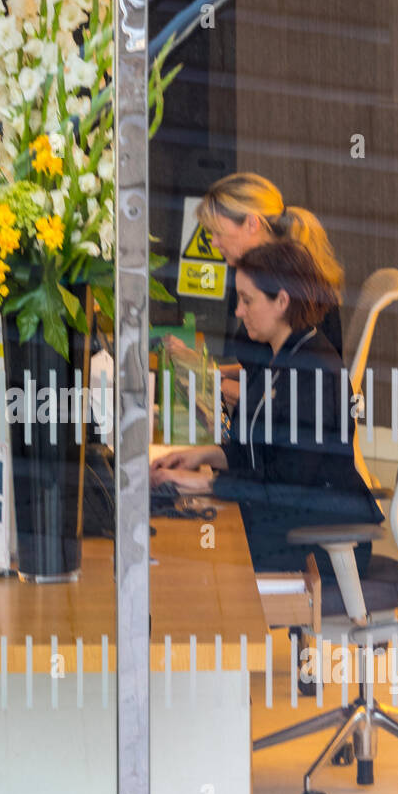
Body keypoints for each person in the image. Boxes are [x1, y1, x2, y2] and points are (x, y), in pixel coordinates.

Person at [151, 240, 382, 577]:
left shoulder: (312, 372)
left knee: (193, 556)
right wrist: (201, 456)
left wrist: (202, 485)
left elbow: (287, 481)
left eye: (247, 300)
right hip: (288, 519)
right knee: (183, 540)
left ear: (282, 301)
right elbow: (260, 454)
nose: (238, 311)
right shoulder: (278, 354)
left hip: (319, 541)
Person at [166, 173, 344, 407]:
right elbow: (264, 369)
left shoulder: (287, 287)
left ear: (252, 223)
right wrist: (209, 369)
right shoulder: (267, 276)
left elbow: (282, 399)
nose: (214, 242)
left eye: (218, 232)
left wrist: (205, 378)